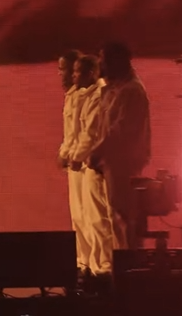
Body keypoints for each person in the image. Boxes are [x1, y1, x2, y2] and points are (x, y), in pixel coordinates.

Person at [92, 41, 151, 249]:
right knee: (116, 216)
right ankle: (124, 258)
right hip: (112, 164)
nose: (100, 64)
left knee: (125, 217)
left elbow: (121, 130)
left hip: (124, 165)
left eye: (103, 59)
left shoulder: (131, 91)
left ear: (116, 61)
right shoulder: (114, 89)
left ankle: (130, 260)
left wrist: (97, 151)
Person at [68, 55, 115, 277]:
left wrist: (77, 156)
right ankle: (87, 263)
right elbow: (74, 132)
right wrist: (68, 153)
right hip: (82, 163)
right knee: (82, 217)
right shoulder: (80, 95)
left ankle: (104, 267)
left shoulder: (98, 95)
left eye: (78, 71)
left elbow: (91, 132)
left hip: (94, 164)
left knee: (98, 217)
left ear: (91, 73)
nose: (73, 75)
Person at [56, 49, 88, 274]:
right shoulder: (72, 95)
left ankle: (94, 265)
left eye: (64, 69)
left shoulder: (83, 96)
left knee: (90, 216)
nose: (61, 74)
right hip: (74, 163)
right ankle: (83, 262)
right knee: (78, 216)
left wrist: (68, 153)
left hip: (84, 163)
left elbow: (81, 132)